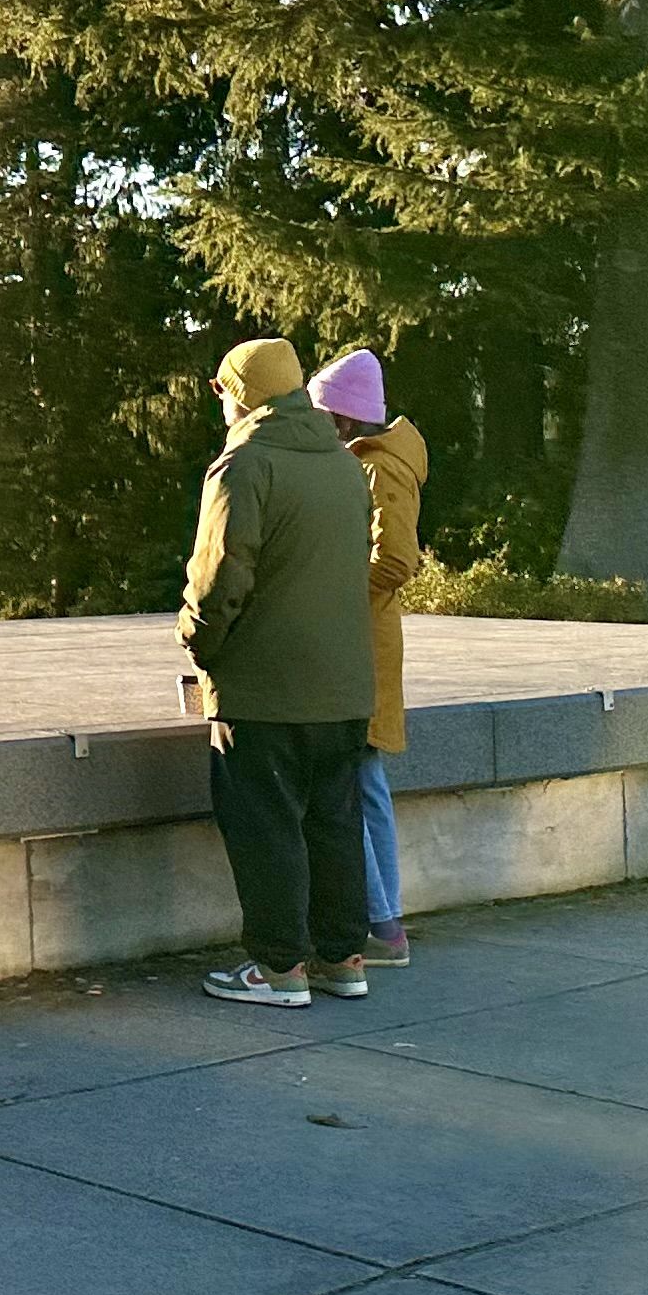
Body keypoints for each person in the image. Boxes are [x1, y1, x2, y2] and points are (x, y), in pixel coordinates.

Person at [176, 338, 376, 1007]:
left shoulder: (244, 464)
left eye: (223, 390)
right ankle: (342, 959)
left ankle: (277, 969)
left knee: (265, 827)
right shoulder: (344, 466)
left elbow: (219, 576)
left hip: (264, 688)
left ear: (241, 391)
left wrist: (195, 642)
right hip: (344, 687)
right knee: (333, 825)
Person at [313, 346, 425, 965]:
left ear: (344, 420)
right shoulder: (373, 461)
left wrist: (326, 594)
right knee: (366, 781)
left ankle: (381, 927)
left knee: (348, 784)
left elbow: (395, 559)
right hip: (366, 640)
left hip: (360, 643)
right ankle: (386, 922)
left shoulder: (379, 469)